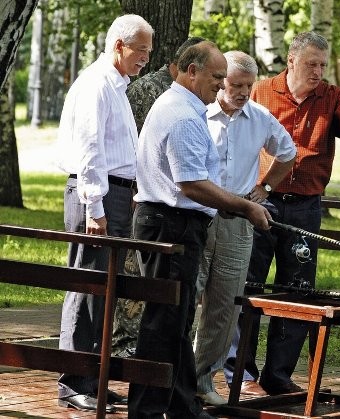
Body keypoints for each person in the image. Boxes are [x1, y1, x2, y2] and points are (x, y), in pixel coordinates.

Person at [223, 31, 340, 396]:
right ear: (291, 61)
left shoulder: (331, 96)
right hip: (260, 203)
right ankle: (239, 370)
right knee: (247, 284)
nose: (317, 71)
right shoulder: (262, 91)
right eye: (311, 64)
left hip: (304, 208)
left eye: (322, 64)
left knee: (296, 292)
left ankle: (278, 375)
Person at [127, 40, 271, 419]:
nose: (222, 85)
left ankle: (181, 405)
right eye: (217, 77)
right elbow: (192, 184)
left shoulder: (182, 105)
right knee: (164, 321)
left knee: (175, 319)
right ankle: (147, 409)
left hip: (170, 222)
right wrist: (245, 206)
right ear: (192, 71)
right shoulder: (185, 115)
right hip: (171, 226)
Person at [55, 14, 153, 414]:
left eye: (148, 51)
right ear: (118, 45)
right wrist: (96, 208)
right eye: (141, 50)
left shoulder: (116, 85)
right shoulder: (97, 85)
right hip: (94, 194)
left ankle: (92, 379)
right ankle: (72, 381)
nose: (145, 58)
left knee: (105, 290)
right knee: (87, 286)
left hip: (114, 194)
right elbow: (90, 151)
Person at [192, 50, 297, 406]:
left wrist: (265, 189)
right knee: (190, 296)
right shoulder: (198, 113)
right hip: (199, 211)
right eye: (236, 85)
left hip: (239, 219)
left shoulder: (260, 118)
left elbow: (288, 152)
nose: (242, 92)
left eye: (248, 86)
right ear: (221, 82)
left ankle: (202, 381)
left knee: (226, 304)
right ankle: (171, 377)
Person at [111, 36, 206, 359]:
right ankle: (125, 346)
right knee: (139, 285)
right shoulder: (149, 91)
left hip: (168, 203)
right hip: (146, 198)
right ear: (187, 67)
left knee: (172, 305)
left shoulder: (195, 98)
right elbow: (134, 145)